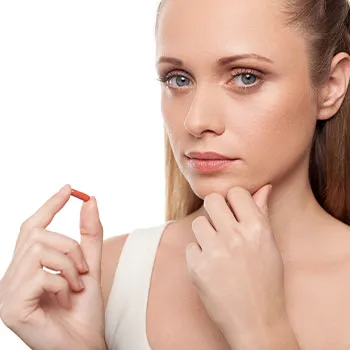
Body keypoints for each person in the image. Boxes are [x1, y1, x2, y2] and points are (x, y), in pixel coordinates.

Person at [1, 0, 350, 348]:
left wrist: (260, 328)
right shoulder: (101, 277)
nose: (196, 121)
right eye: (178, 79)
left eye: (246, 77)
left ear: (331, 85)